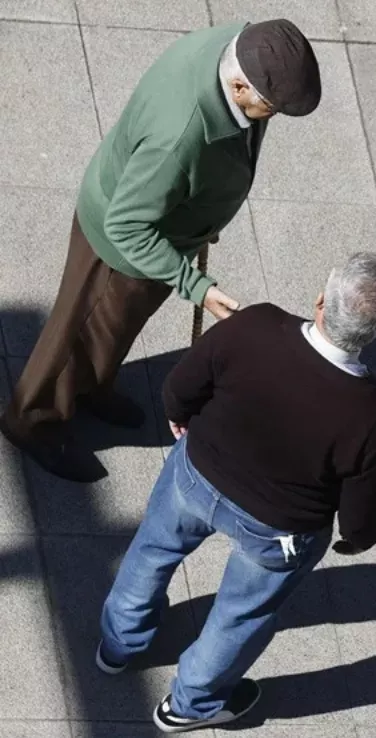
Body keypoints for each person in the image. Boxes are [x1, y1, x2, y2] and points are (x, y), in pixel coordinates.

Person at [0, 19, 322, 483]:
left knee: (109, 334)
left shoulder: (235, 49)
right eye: (269, 107)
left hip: (160, 226)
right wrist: (196, 287)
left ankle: (91, 387)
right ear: (237, 84)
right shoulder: (180, 138)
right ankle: (32, 419)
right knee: (78, 333)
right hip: (120, 250)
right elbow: (126, 226)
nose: (270, 117)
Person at [95, 252, 376, 732]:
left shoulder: (256, 326)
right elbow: (362, 510)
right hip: (278, 529)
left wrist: (181, 416)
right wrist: (355, 538)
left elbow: (181, 386)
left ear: (320, 301)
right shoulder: (372, 415)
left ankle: (118, 643)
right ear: (375, 333)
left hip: (196, 475)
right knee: (239, 614)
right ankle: (190, 705)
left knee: (152, 552)